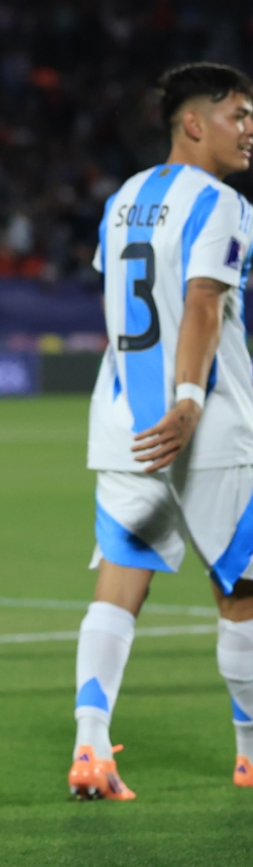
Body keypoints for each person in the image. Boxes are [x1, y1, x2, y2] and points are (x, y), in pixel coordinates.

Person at [70, 62, 253, 801]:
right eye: (238, 114)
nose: (249, 129)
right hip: (205, 430)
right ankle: (248, 752)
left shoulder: (122, 201)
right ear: (192, 122)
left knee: (117, 591)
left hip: (123, 427)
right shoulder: (223, 203)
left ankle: (89, 746)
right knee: (241, 591)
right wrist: (187, 400)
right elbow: (204, 302)